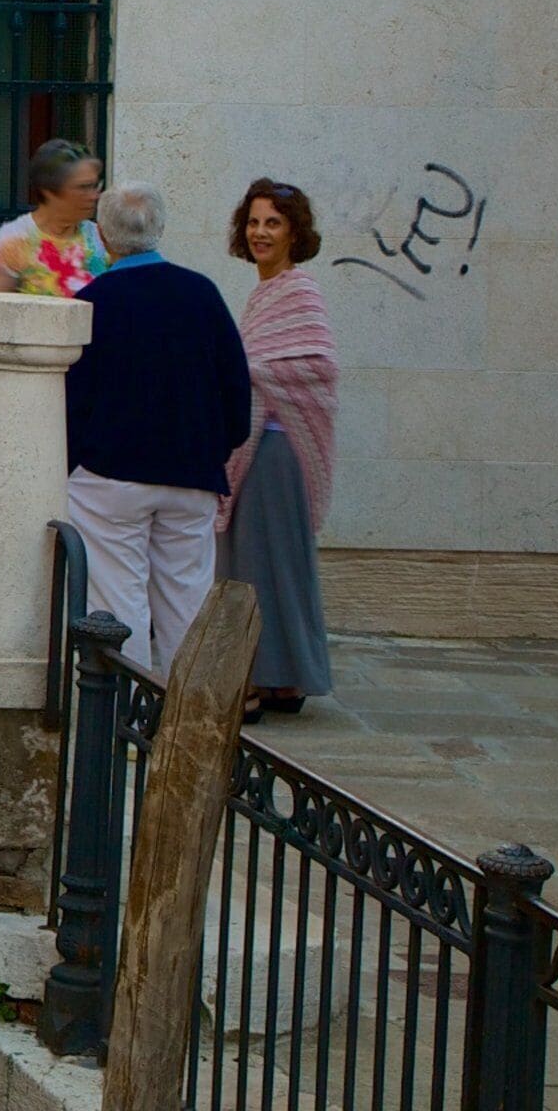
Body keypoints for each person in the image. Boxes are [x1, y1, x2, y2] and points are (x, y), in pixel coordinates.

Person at [62, 182, 252, 677]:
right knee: (186, 604)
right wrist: (215, 449)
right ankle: (184, 726)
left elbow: (74, 398)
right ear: (160, 229)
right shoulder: (202, 294)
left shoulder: (94, 300)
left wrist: (76, 461)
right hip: (191, 474)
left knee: (118, 602)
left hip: (112, 476)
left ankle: (122, 724)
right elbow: (236, 388)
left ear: (103, 236)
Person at [220, 179, 338, 715]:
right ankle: (278, 679)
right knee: (255, 561)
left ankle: (273, 678)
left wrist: (246, 368)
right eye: (254, 222)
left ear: (295, 232)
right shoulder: (264, 291)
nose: (261, 233)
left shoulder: (299, 290)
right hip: (256, 448)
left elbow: (318, 367)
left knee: (270, 563)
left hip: (276, 448)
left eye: (273, 223)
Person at [0, 139, 110, 298]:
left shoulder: (103, 237)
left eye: (95, 186)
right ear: (49, 191)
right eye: (83, 187)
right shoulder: (13, 242)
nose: (95, 196)